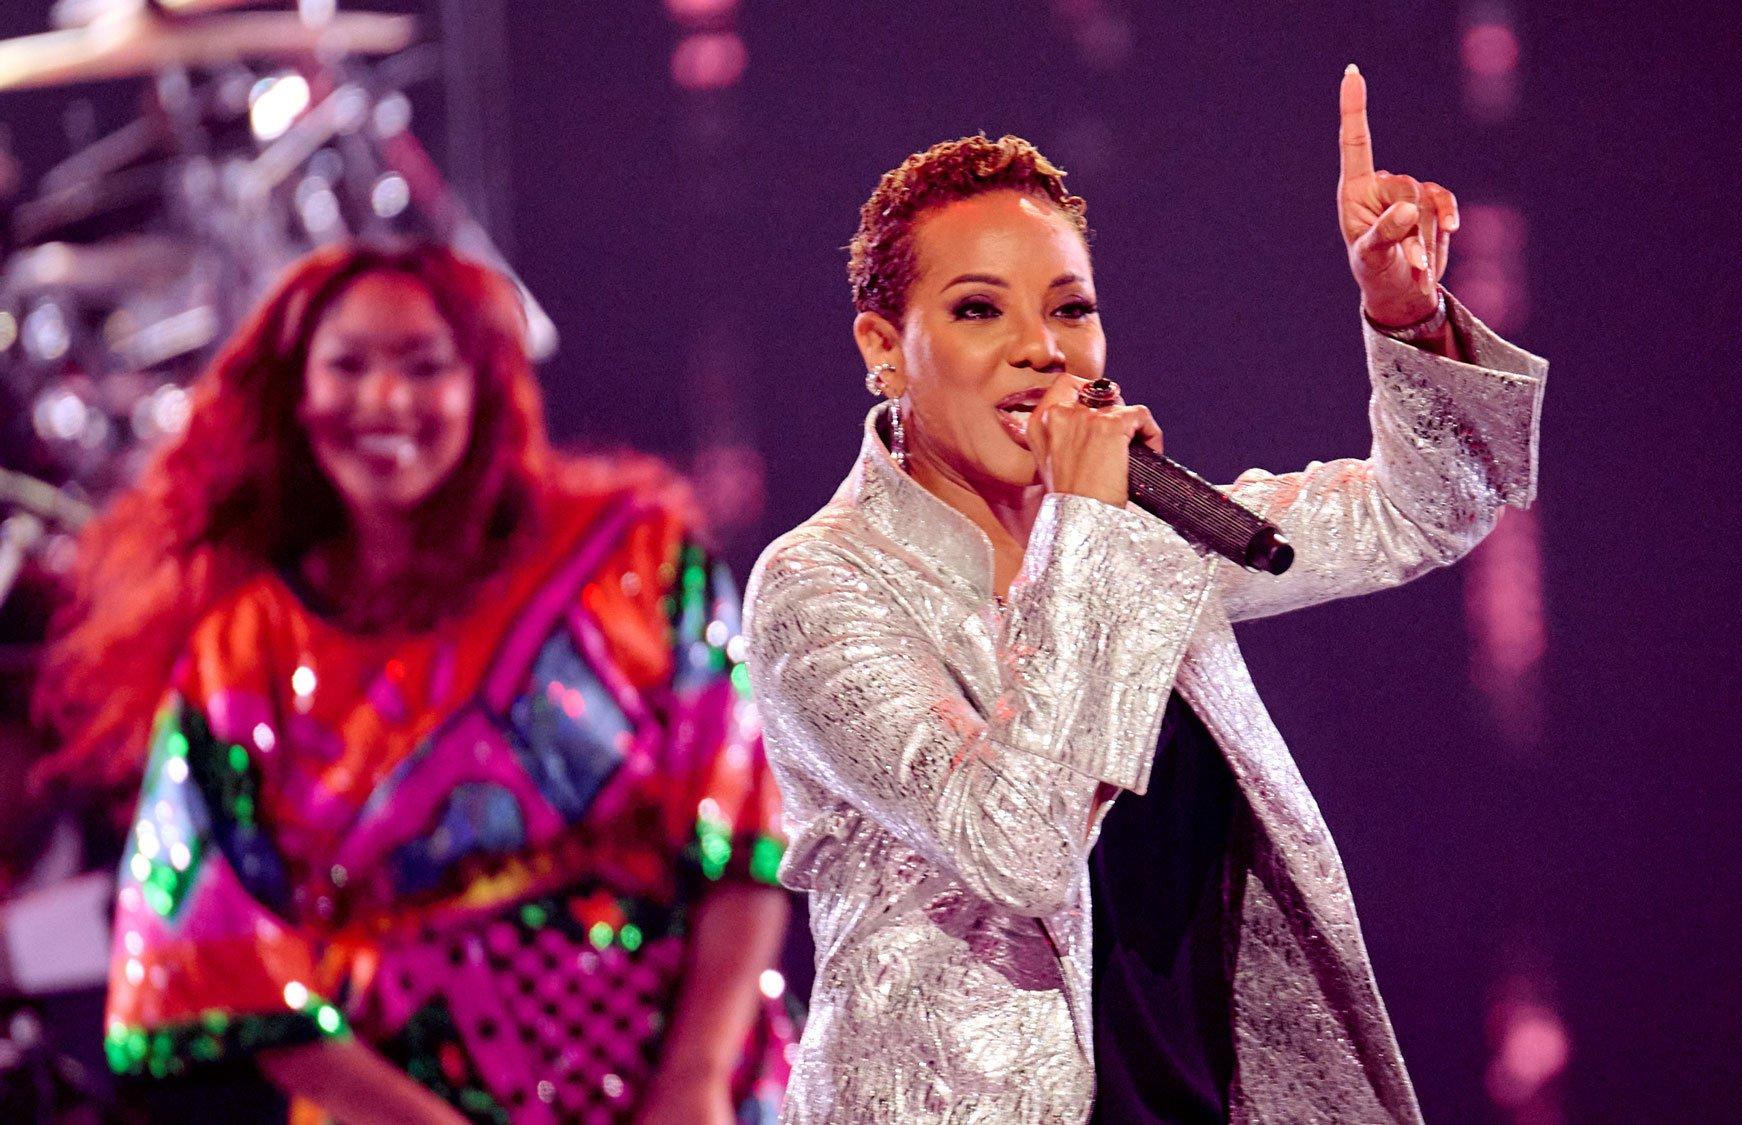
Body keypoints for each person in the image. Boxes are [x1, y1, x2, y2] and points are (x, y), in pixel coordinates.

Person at [744, 67, 1548, 1124]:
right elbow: (1016, 847)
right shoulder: (818, 587)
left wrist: (1401, 313)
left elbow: (1427, 508)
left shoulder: (1138, 535)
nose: (1041, 345)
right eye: (978, 308)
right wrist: (1087, 526)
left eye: (1069, 308)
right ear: (884, 349)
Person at [36, 242, 792, 1125]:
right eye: (347, 366)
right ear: (297, 393)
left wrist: (695, 1080)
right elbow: (211, 955)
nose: (385, 400)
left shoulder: (636, 560)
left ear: (485, 387)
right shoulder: (243, 648)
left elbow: (751, 841)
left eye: (424, 366)